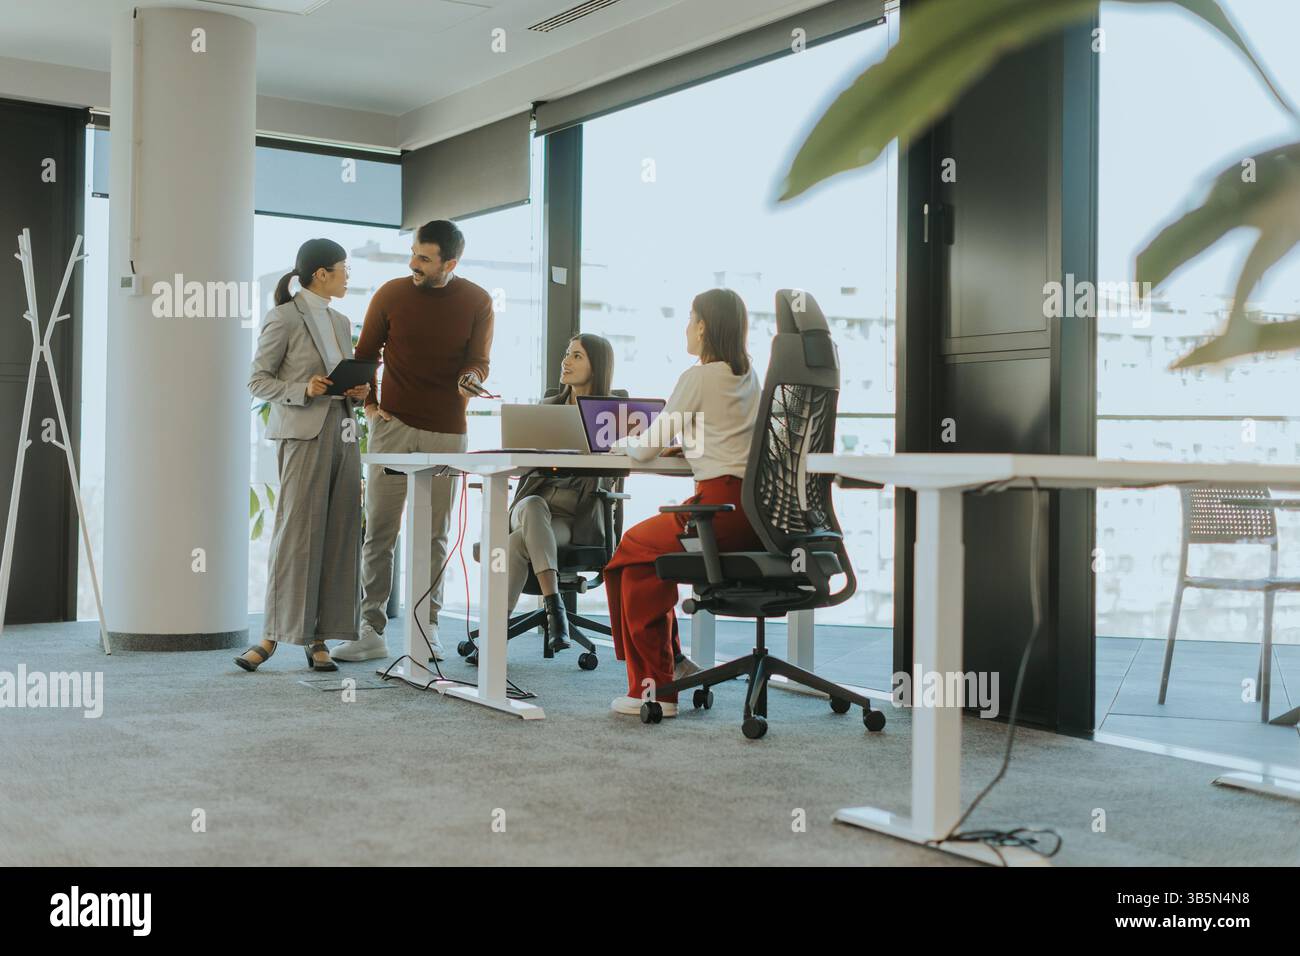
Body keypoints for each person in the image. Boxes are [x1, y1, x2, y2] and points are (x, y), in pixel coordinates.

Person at [333, 220, 494, 663]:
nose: (413, 264)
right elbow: (365, 357)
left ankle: (428, 627)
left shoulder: (477, 300)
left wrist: (471, 380)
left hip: (446, 432)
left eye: (424, 258)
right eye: (413, 253)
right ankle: (370, 629)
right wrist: (369, 409)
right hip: (393, 428)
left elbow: (479, 361)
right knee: (380, 531)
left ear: (450, 263)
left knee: (434, 536)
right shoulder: (391, 294)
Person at [604, 289, 762, 718]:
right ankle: (668, 666)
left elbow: (645, 447)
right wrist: (691, 446)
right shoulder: (748, 376)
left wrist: (623, 443)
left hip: (718, 512)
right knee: (649, 557)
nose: (686, 327)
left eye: (689, 318)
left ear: (704, 326)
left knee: (631, 553)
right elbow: (729, 435)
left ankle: (654, 688)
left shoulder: (698, 376)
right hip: (755, 513)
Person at [237, 238, 370, 672]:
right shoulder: (284, 317)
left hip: (345, 429)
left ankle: (319, 638)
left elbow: (343, 374)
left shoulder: (341, 319)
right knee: (297, 534)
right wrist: (301, 389)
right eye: (343, 268)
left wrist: (358, 389)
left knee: (341, 532)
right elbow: (257, 380)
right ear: (321, 275)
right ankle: (271, 635)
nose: (348, 275)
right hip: (303, 432)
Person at [503, 334, 616, 654]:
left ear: (597, 366)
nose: (566, 361)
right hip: (530, 503)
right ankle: (556, 610)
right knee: (534, 506)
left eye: (577, 356)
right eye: (567, 354)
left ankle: (496, 637)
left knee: (516, 542)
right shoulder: (547, 408)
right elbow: (526, 464)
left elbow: (617, 470)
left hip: (571, 515)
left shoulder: (607, 415)